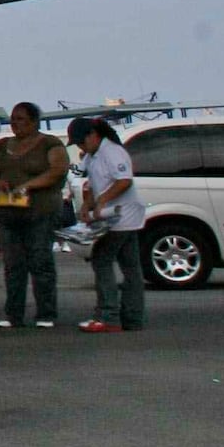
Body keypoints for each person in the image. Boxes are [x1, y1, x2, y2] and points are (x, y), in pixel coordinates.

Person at [0, 101, 70, 329]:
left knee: (41, 261)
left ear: (34, 121)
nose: (15, 123)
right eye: (13, 119)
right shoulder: (2, 145)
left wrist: (29, 185)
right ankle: (14, 314)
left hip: (40, 211)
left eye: (20, 119)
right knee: (13, 265)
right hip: (8, 213)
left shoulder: (50, 143)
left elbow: (57, 171)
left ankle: (46, 313)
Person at [71, 117, 147, 334]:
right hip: (114, 216)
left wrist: (102, 200)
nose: (80, 147)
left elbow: (124, 180)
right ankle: (132, 318)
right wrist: (87, 202)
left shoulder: (112, 151)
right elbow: (90, 183)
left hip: (122, 216)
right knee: (130, 267)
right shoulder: (92, 154)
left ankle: (108, 315)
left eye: (82, 142)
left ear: (93, 135)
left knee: (102, 259)